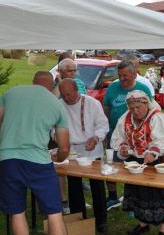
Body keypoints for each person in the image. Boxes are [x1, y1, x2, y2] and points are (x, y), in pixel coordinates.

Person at [0, 71, 70, 234]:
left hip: (8, 159)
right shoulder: (56, 103)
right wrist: (59, 157)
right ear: (52, 85)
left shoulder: (10, 92)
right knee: (54, 213)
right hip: (39, 162)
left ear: (33, 82)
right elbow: (64, 147)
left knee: (17, 213)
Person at [111, 90, 164, 235]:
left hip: (155, 162)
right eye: (132, 108)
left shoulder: (157, 117)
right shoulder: (125, 118)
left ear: (147, 104)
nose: (135, 111)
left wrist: (153, 151)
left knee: (158, 195)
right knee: (139, 193)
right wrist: (123, 147)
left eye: (139, 108)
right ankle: (143, 223)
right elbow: (119, 138)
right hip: (134, 163)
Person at [58, 79, 109, 233]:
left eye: (68, 94)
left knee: (97, 186)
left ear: (76, 90)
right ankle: (78, 219)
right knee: (74, 187)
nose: (66, 98)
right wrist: (56, 135)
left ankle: (101, 220)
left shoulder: (92, 103)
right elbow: (54, 125)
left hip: (92, 148)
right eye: (63, 95)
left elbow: (102, 124)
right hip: (71, 150)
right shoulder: (60, 105)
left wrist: (95, 138)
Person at [103, 60, 153, 210]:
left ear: (134, 74)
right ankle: (112, 197)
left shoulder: (143, 89)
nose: (122, 79)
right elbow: (106, 107)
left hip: (137, 134)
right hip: (115, 133)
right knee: (111, 164)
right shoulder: (112, 87)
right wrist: (110, 126)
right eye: (119, 75)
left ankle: (133, 201)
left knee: (134, 167)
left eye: (125, 75)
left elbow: (150, 111)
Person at [51, 57, 89, 214]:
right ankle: (63, 200)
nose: (73, 74)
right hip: (59, 130)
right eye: (70, 71)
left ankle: (77, 199)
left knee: (75, 165)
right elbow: (51, 102)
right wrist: (59, 84)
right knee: (61, 166)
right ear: (60, 71)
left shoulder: (79, 84)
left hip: (76, 130)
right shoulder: (53, 85)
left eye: (75, 70)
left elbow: (84, 101)